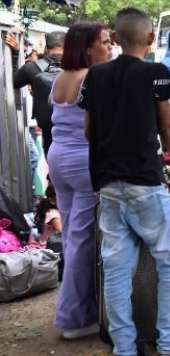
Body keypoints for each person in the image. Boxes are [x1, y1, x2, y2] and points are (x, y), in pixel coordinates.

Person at [81, 7, 170, 356]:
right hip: (145, 181)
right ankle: (169, 346)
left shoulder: (94, 77)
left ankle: (124, 349)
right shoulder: (156, 73)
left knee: (116, 269)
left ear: (114, 38)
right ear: (150, 38)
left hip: (109, 185)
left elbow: (87, 130)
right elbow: (167, 125)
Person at [46, 22, 112, 339]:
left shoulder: (61, 77)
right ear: (87, 48)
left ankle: (77, 312)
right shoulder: (92, 77)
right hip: (84, 162)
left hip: (58, 158)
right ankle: (73, 318)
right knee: (82, 241)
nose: (109, 47)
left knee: (74, 237)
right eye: (103, 42)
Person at [13, 31, 66, 155]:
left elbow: (12, 82)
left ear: (46, 49)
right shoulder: (83, 67)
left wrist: (15, 55)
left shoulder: (31, 68)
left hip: (49, 136)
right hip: (81, 138)